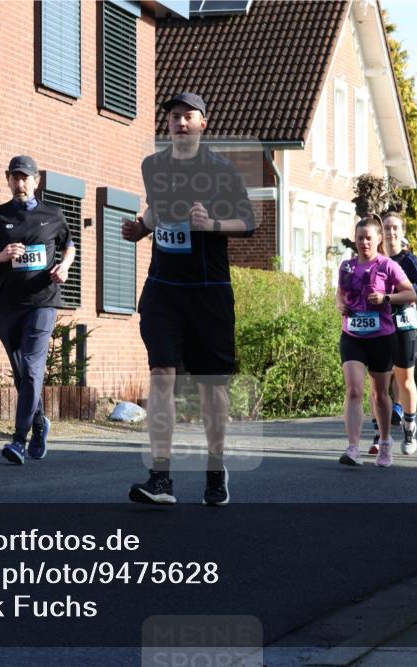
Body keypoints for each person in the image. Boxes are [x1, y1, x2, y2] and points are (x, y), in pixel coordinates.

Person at [121, 92, 256, 506]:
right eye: (174, 116)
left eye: (188, 116)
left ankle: (215, 469)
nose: (180, 123)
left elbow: (247, 222)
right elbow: (157, 209)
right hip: (163, 289)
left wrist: (211, 224)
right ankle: (160, 477)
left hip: (208, 294)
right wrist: (141, 228)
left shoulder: (222, 171)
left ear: (203, 124)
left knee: (211, 387)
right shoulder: (153, 166)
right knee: (162, 374)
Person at [0, 155, 76, 465]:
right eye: (15, 177)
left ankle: (18, 440)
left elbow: (69, 246)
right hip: (8, 305)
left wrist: (65, 267)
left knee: (31, 368)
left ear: (36, 181)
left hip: (43, 302)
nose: (20, 183)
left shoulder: (53, 214)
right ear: (8, 179)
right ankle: (40, 422)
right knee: (21, 374)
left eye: (25, 177)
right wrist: (1, 256)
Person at [337, 217, 417, 468]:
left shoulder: (388, 265)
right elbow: (340, 293)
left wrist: (386, 298)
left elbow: (411, 293)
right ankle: (353, 448)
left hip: (382, 337)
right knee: (354, 390)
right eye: (359, 238)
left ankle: (384, 442)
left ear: (378, 239)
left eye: (368, 238)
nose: (363, 243)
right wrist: (340, 304)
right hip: (352, 336)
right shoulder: (346, 267)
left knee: (380, 395)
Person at [366, 213, 417, 456]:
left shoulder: (410, 261)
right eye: (387, 228)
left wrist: (397, 287)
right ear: (380, 232)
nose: (391, 232)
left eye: (395, 228)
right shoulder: (374, 259)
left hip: (404, 325)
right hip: (378, 326)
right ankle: (379, 435)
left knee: (405, 380)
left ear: (402, 232)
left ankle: (409, 428)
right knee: (377, 384)